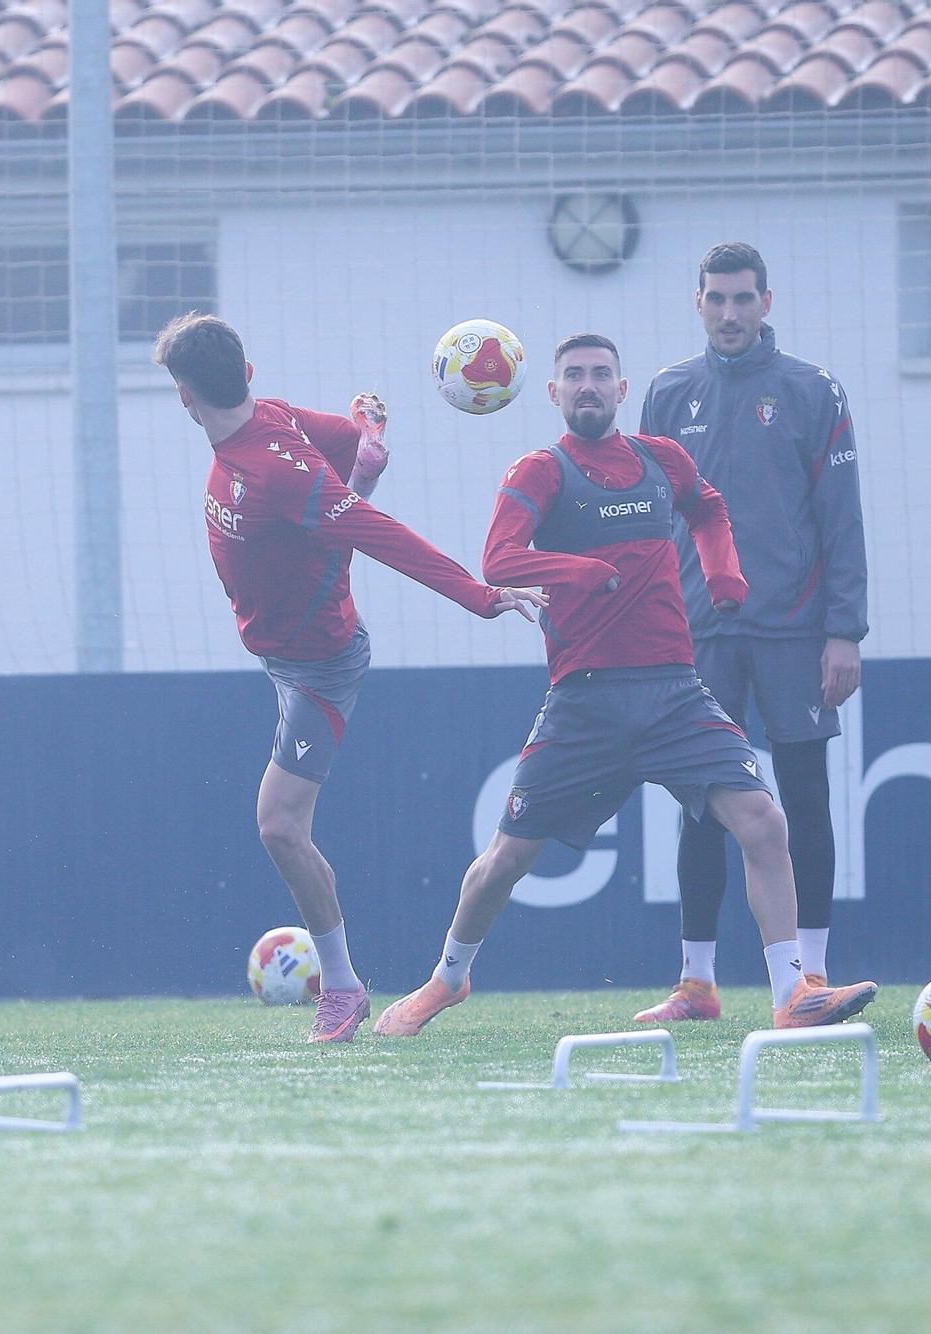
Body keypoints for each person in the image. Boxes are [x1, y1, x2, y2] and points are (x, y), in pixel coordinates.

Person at [375, 333, 878, 1037]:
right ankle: (447, 979)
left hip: (676, 693)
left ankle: (792, 993)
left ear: (621, 389)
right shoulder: (540, 470)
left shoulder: (661, 459)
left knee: (763, 820)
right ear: (552, 392)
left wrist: (724, 571)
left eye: (600, 375)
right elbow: (498, 558)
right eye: (574, 376)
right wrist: (575, 570)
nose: (588, 385)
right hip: (584, 701)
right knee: (505, 861)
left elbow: (709, 509)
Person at [152, 312, 544, 1045]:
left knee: (279, 824)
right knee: (280, 823)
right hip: (281, 647)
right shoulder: (268, 420)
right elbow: (339, 442)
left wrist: (481, 596)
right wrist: (365, 441)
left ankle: (340, 989)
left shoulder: (271, 470)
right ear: (248, 374)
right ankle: (341, 985)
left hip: (319, 664)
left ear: (183, 395)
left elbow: (379, 534)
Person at [632, 242, 869, 1023]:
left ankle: (814, 975)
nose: (730, 313)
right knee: (701, 802)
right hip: (696, 635)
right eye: (716, 299)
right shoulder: (666, 395)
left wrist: (846, 632)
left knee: (802, 796)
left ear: (767, 302)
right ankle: (697, 984)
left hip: (795, 633)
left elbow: (841, 519)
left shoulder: (812, 391)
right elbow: (648, 520)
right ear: (696, 304)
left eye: (743, 299)